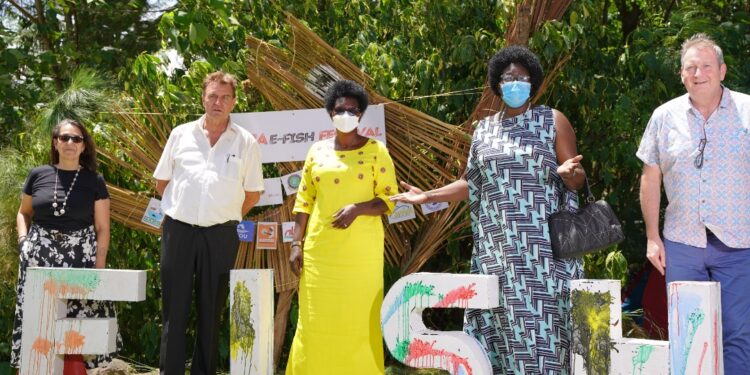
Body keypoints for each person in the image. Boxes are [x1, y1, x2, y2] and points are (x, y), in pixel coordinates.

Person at [391, 45, 586, 374]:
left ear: (533, 83)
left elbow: (576, 175)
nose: (515, 82)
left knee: (547, 339)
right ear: (497, 82)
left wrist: (571, 175)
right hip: (497, 254)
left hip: (544, 257)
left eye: (523, 78)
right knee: (497, 341)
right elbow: (473, 183)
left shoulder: (552, 120)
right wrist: (427, 196)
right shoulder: (484, 130)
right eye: (509, 77)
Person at [637, 33, 750, 374]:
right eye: (690, 67)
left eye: (705, 66)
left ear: (722, 70)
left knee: (738, 333)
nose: (698, 73)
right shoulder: (664, 116)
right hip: (682, 242)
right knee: (686, 333)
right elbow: (650, 177)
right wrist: (652, 236)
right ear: (681, 74)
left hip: (740, 243)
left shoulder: (748, 110)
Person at [153, 71, 264, 374]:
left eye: (225, 97)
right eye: (213, 95)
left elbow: (253, 193)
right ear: (203, 97)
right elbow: (162, 183)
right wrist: (183, 208)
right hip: (178, 230)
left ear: (234, 102)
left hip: (221, 235)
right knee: (173, 311)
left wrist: (223, 213)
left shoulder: (246, 143)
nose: (218, 102)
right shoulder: (180, 134)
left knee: (210, 309)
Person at [286, 80, 398, 374]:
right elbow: (303, 203)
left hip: (360, 257)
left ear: (361, 114)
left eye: (353, 109)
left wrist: (358, 209)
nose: (346, 114)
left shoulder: (377, 151)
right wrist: (296, 244)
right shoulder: (317, 151)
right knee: (315, 321)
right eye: (340, 109)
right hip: (320, 254)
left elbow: (389, 200)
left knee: (359, 321)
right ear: (330, 112)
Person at [12, 118, 117, 369]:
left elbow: (102, 228)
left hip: (81, 258)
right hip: (39, 257)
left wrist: (98, 268)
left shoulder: (95, 180)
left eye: (76, 138)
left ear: (83, 146)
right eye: (64, 138)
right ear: (55, 143)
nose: (70, 142)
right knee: (39, 320)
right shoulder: (37, 175)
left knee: (80, 323)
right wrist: (23, 240)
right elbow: (23, 212)